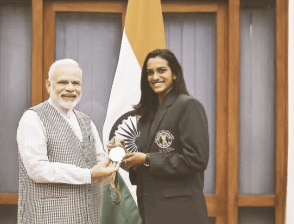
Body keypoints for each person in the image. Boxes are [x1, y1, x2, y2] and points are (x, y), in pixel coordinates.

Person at [109, 49, 209, 224]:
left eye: (161, 70)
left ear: (175, 74)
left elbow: (196, 159)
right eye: (150, 72)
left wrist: (146, 159)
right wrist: (129, 159)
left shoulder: (188, 106)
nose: (155, 77)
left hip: (181, 213)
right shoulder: (148, 114)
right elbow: (149, 163)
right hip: (151, 209)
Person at [17, 59, 120, 224]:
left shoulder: (87, 121)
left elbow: (100, 174)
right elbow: (37, 169)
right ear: (48, 85)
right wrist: (89, 174)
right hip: (47, 218)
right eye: (63, 82)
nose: (70, 88)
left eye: (76, 83)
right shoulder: (33, 118)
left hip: (89, 217)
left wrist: (114, 158)